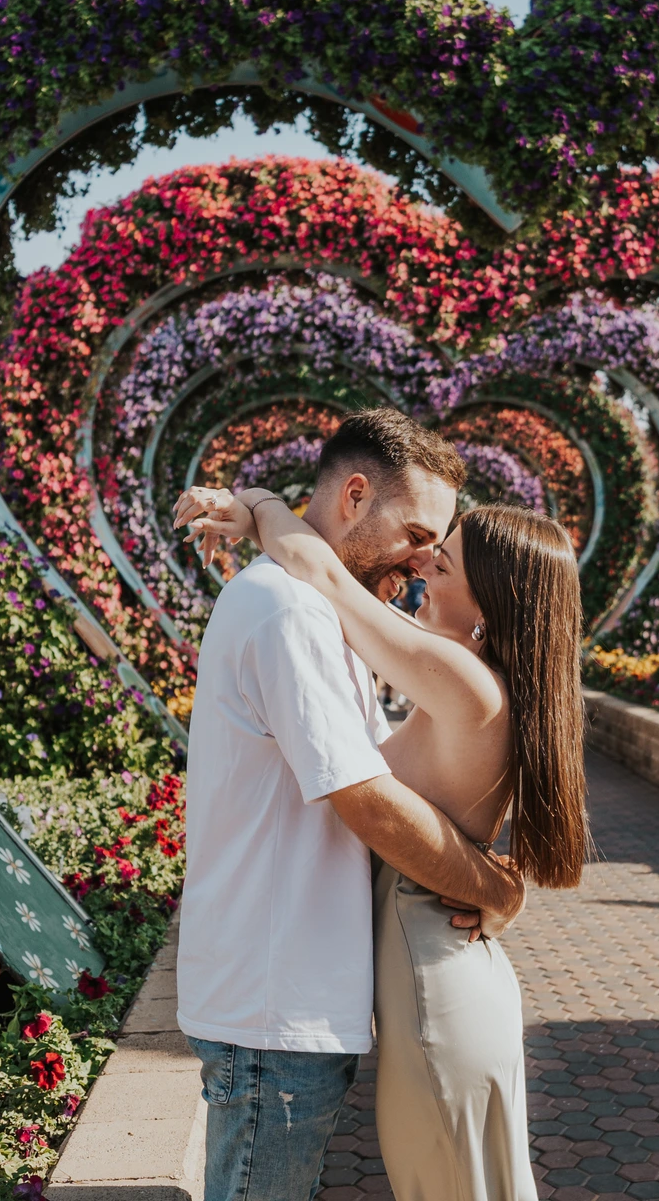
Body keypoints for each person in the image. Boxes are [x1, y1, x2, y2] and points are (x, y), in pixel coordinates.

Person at [177, 451, 591, 1201]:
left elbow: (328, 578)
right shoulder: (472, 683)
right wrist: (501, 890)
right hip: (426, 959)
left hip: (433, 969)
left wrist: (261, 503)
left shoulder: (465, 679)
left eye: (448, 558)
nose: (427, 562)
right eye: (427, 541)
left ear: (490, 607)